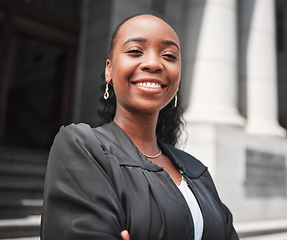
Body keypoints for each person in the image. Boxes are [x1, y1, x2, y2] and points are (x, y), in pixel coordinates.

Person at [40, 14, 239, 240]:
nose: (153, 63)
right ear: (109, 69)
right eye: (135, 51)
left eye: (169, 55)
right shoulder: (83, 147)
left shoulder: (196, 171)